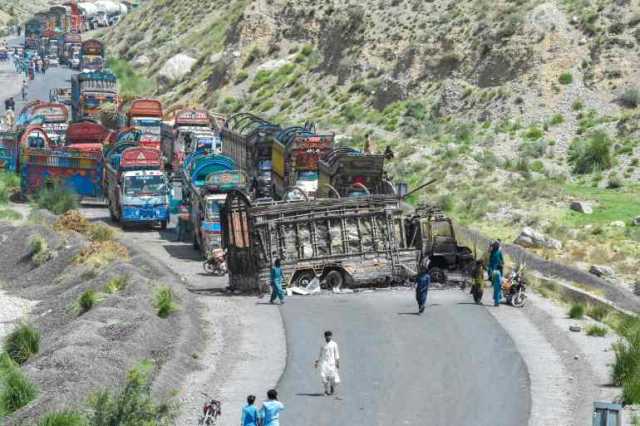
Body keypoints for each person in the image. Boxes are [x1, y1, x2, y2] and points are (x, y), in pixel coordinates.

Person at [315, 330, 340, 396]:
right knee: (323, 377)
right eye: (327, 336)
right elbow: (320, 354)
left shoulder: (334, 344)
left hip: (332, 363)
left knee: (332, 378)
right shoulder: (323, 344)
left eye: (330, 336)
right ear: (325, 337)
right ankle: (326, 391)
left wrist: (337, 362)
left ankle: (332, 387)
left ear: (331, 336)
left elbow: (336, 353)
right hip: (324, 363)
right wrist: (317, 362)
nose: (329, 337)